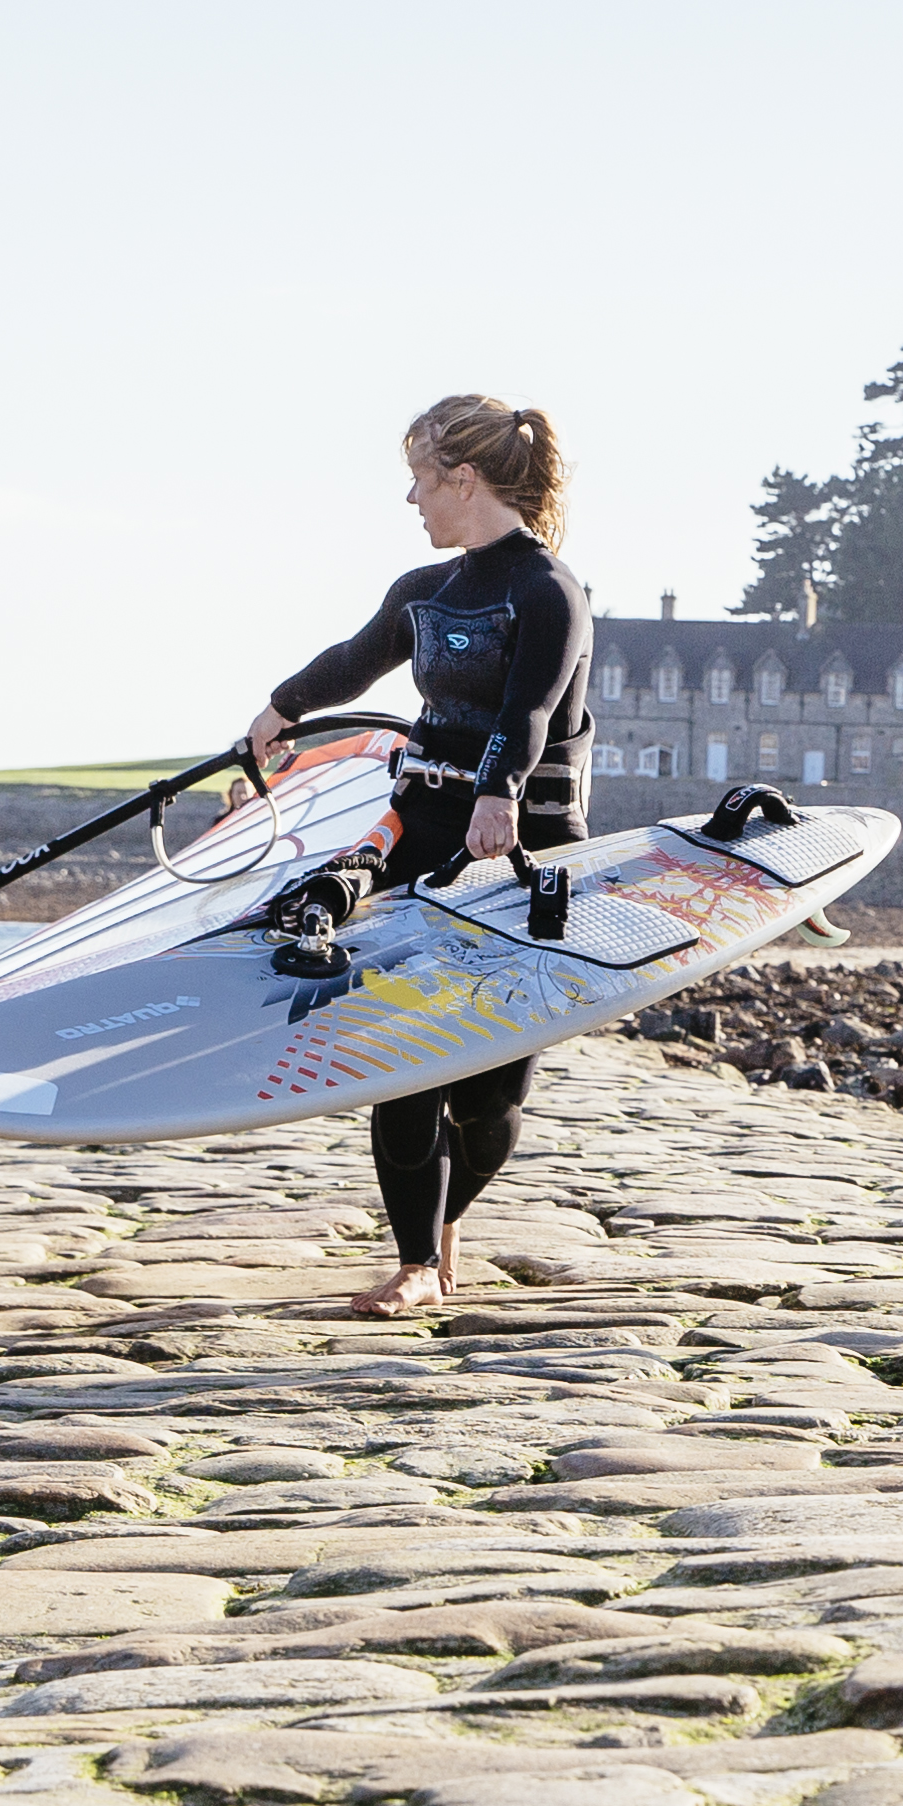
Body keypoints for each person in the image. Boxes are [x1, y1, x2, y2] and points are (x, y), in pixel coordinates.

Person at [239, 397, 590, 1318]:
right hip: (424, 834)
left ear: (464, 481)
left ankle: (445, 1226)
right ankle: (416, 1261)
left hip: (524, 850)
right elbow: (355, 660)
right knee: (400, 1058)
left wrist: (499, 793)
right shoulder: (423, 591)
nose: (411, 497)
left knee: (487, 1097)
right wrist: (281, 710)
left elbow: (530, 712)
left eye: (422, 478)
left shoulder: (549, 592)